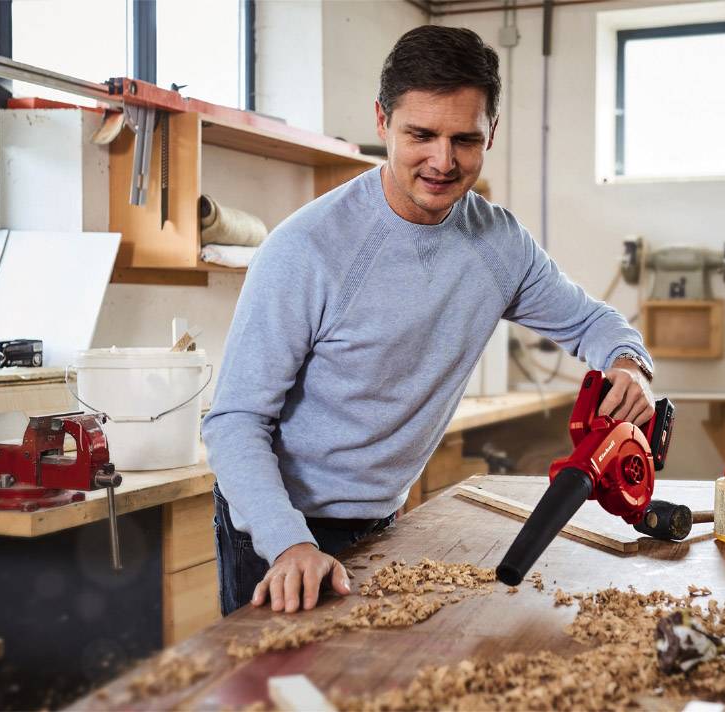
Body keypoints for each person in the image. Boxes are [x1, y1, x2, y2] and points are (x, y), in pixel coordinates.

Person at [202, 25, 656, 616]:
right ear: (382, 122)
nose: (442, 162)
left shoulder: (500, 243)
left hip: (385, 518)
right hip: (277, 530)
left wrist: (630, 364)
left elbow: (593, 323)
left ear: (491, 132)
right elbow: (234, 421)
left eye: (465, 139)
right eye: (421, 134)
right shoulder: (306, 250)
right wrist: (288, 543)